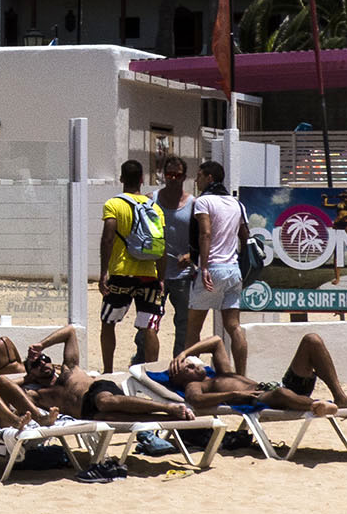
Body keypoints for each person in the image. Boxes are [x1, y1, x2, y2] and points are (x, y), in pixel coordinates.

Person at [16, 324, 191, 422]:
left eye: (45, 358)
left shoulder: (68, 369)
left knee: (104, 401)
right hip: (87, 413)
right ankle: (170, 418)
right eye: (37, 364)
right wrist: (26, 378)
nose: (44, 362)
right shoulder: (37, 394)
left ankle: (169, 407)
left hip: (99, 391)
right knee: (110, 417)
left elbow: (70, 331)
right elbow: (5, 386)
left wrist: (42, 346)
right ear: (31, 374)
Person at [162, 333, 347, 415]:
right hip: (261, 397)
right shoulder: (197, 386)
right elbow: (195, 400)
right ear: (181, 380)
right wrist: (233, 396)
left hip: (281, 386)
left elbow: (216, 341)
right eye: (187, 368)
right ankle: (315, 406)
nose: (193, 365)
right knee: (282, 394)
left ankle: (340, 397)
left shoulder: (220, 373)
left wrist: (184, 353)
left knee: (312, 340)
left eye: (190, 363)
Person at [98, 159, 164, 373]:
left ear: (121, 178)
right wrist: (161, 277)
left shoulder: (114, 204)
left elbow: (108, 238)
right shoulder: (155, 208)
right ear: (142, 179)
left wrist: (103, 273)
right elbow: (161, 243)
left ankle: (108, 371)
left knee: (109, 322)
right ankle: (151, 373)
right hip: (149, 275)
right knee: (149, 326)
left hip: (122, 273)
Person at [186, 160, 250, 375]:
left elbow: (205, 233)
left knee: (193, 327)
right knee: (234, 327)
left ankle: (190, 375)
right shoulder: (237, 204)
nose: (196, 180)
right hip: (233, 269)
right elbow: (245, 236)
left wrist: (203, 267)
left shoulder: (203, 202)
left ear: (209, 178)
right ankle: (241, 375)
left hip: (212, 268)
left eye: (199, 175)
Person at [152, 156, 198, 361]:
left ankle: (179, 362)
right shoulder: (151, 200)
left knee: (184, 324)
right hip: (154, 274)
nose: (172, 178)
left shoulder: (193, 204)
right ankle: (143, 362)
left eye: (177, 175)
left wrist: (191, 255)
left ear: (184, 177)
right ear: (163, 174)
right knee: (149, 322)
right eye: (169, 174)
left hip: (183, 274)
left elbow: (204, 236)